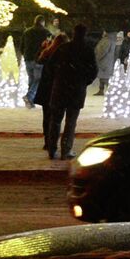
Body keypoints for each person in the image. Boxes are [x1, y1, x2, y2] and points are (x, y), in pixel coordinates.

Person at [41, 25, 98, 159]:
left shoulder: (63, 48)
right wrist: (83, 82)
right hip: (76, 90)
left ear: (73, 33)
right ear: (85, 34)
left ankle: (52, 148)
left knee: (55, 120)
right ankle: (66, 150)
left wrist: (58, 78)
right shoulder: (87, 50)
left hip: (60, 88)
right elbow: (93, 71)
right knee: (71, 122)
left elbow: (50, 66)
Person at [19, 14, 50, 109]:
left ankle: (30, 102)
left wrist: (25, 54)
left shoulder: (27, 32)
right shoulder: (46, 32)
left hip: (28, 58)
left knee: (31, 79)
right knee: (38, 79)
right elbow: (49, 46)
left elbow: (21, 46)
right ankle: (29, 96)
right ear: (42, 22)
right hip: (39, 59)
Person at [92, 28, 119, 96]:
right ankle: (102, 90)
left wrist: (97, 57)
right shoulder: (111, 39)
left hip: (104, 61)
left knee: (105, 77)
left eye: (104, 31)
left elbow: (103, 51)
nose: (103, 33)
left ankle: (110, 91)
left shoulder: (107, 40)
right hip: (107, 61)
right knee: (103, 77)